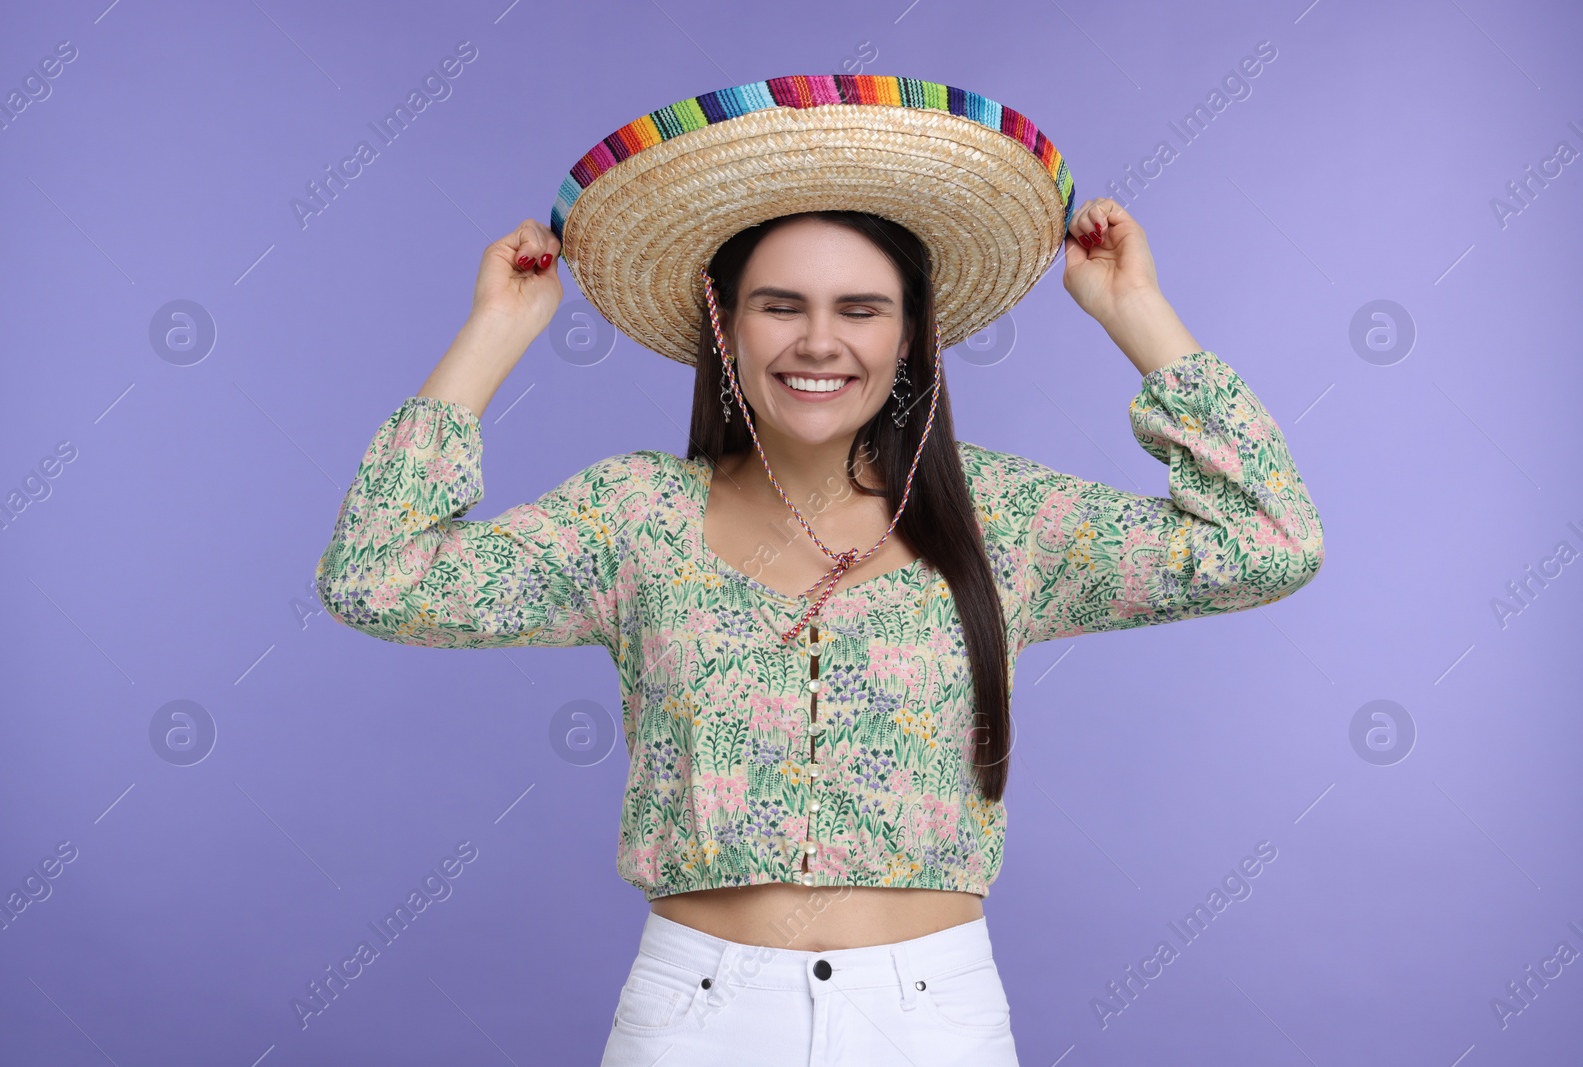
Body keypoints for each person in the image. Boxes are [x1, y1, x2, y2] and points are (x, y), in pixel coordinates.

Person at [314, 74, 1325, 1066]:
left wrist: (1134, 310)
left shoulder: (1002, 520)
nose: (818, 341)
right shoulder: (634, 518)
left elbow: (1268, 539)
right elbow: (375, 574)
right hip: (696, 1020)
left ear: (912, 333)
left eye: (861, 308)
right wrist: (493, 335)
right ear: (726, 323)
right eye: (779, 305)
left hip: (931, 1021)